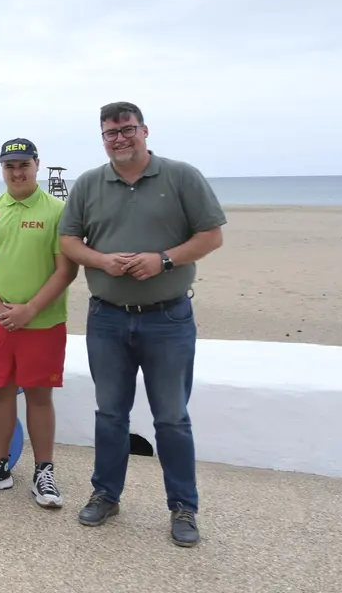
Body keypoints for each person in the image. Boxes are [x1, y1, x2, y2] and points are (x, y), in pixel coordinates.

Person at [58, 101, 226, 548]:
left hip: (168, 319)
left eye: (127, 129)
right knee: (110, 414)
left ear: (144, 130)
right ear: (103, 138)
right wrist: (102, 261)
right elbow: (69, 241)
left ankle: (183, 508)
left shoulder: (181, 176)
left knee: (172, 418)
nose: (120, 138)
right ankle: (106, 494)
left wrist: (163, 260)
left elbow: (211, 235)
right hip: (107, 319)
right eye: (110, 133)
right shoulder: (90, 184)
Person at [0, 138, 77, 507]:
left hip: (43, 322)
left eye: (23, 164)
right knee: (1, 392)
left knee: (40, 395)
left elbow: (66, 270)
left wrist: (29, 309)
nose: (17, 172)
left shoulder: (59, 211)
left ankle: (44, 472)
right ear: (2, 169)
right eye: (9, 166)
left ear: (37, 165)